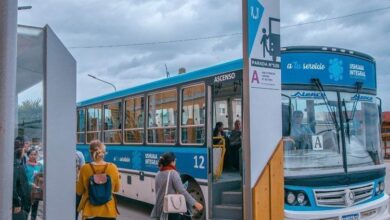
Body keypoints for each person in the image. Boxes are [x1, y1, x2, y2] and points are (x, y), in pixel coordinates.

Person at [151, 152, 203, 220]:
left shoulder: (158, 174)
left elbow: (157, 192)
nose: (175, 162)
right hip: (171, 208)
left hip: (160, 207)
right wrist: (195, 203)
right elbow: (182, 191)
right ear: (171, 162)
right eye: (175, 160)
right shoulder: (173, 173)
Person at [76, 140, 120, 220]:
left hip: (90, 212)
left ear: (91, 153)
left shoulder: (85, 168)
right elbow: (117, 189)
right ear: (104, 153)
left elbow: (79, 191)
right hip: (109, 212)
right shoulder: (113, 168)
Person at [13, 142, 31, 220]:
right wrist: (17, 203)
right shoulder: (17, 167)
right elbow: (13, 186)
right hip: (18, 205)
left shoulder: (17, 164)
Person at [25, 148, 44, 220]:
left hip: (36, 192)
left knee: (34, 211)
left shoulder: (40, 166)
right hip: (27, 191)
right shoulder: (25, 166)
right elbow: (23, 179)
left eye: (35, 154)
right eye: (31, 154)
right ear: (28, 155)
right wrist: (30, 184)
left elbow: (43, 177)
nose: (33, 156)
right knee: (26, 210)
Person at [75, 150, 85, 220]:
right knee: (75, 208)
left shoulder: (61, 153)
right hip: (76, 185)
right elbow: (83, 170)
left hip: (63, 186)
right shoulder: (79, 154)